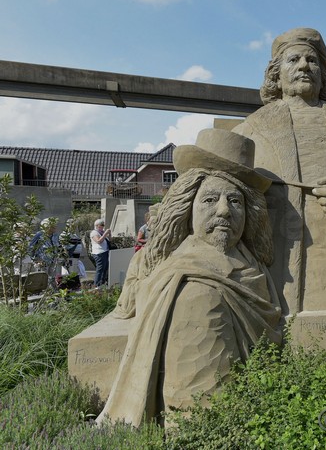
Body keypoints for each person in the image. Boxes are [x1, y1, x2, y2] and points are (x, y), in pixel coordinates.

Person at [98, 129, 282, 427]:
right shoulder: (195, 290)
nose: (224, 211)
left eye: (235, 202)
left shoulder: (250, 264)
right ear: (188, 208)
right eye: (210, 199)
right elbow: (200, 414)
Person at [231, 27, 326, 313]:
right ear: (276, 74)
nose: (305, 66)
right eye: (293, 60)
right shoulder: (251, 130)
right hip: (277, 261)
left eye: (312, 60)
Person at [90, 218, 111, 287]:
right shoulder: (94, 232)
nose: (103, 226)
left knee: (105, 269)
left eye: (103, 225)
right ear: (97, 225)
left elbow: (109, 240)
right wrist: (105, 234)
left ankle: (102, 284)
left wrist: (109, 234)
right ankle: (96, 285)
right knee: (100, 268)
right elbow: (98, 241)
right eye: (102, 225)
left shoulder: (102, 232)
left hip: (105, 252)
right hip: (99, 253)